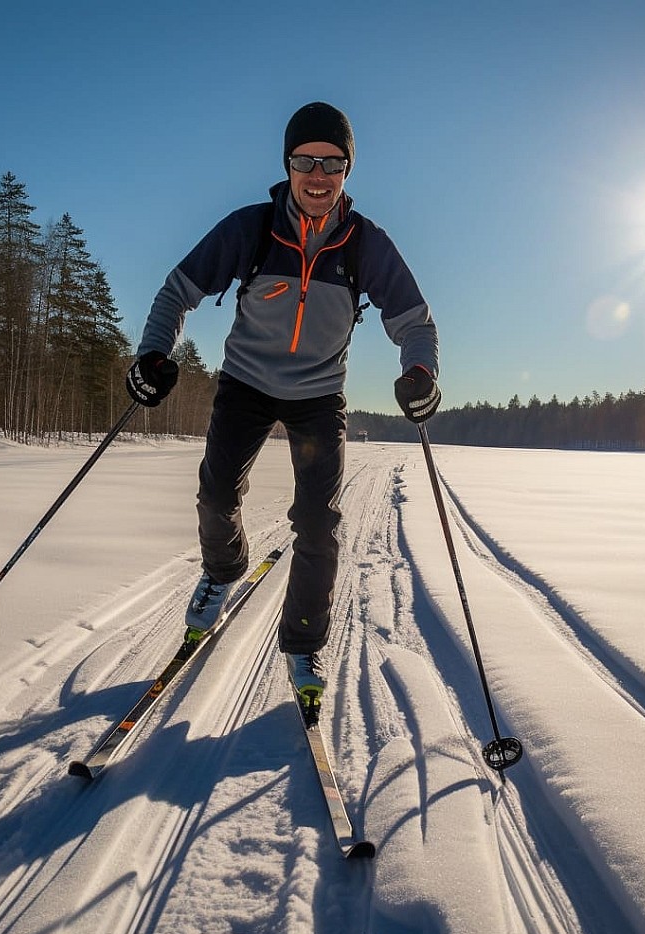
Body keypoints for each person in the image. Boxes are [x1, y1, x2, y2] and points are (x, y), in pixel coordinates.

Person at [126, 102, 440, 718]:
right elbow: (177, 290)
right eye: (306, 161)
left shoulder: (364, 244)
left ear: (347, 171)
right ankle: (224, 571)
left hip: (319, 395)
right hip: (245, 382)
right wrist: (154, 354)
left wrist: (421, 372)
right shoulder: (250, 229)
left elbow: (414, 320)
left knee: (319, 523)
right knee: (216, 496)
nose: (318, 175)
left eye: (332, 163)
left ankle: (302, 644)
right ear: (288, 166)